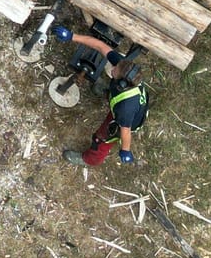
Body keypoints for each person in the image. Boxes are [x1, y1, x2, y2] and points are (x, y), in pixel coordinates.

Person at [53, 24, 149, 166]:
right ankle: (107, 93)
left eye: (115, 69)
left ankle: (90, 159)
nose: (113, 67)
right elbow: (100, 46)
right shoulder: (125, 70)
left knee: (101, 138)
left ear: (122, 84)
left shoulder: (124, 110)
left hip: (126, 119)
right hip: (126, 104)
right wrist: (72, 36)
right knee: (114, 96)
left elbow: (126, 131)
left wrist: (125, 150)